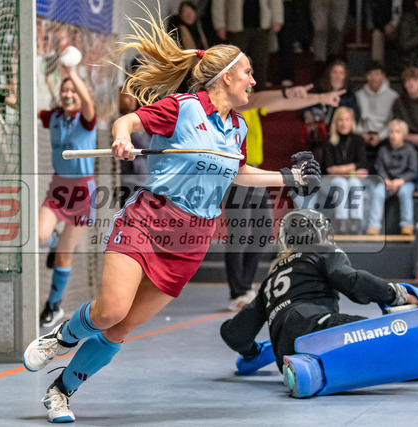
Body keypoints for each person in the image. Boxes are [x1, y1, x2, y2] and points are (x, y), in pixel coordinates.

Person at [22, 10, 321, 423]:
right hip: (148, 220)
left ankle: (60, 392)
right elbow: (128, 120)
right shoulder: (183, 108)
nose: (253, 81)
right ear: (225, 78)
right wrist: (122, 139)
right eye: (248, 73)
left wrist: (289, 177)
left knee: (120, 329)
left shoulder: (238, 129)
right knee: (110, 311)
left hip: (190, 241)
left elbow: (238, 172)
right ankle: (61, 337)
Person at [220, 208, 418, 377]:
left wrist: (253, 353)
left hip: (283, 351)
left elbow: (235, 334)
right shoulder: (320, 252)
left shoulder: (270, 280)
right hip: (316, 326)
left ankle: (308, 372)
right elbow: (354, 281)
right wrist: (396, 294)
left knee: (323, 350)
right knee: (378, 333)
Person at [224, 84, 345, 311]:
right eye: (247, 74)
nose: (251, 81)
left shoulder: (253, 105)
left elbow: (285, 103)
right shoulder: (232, 104)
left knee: (264, 230)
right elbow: (263, 98)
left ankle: (245, 287)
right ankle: (236, 293)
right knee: (238, 234)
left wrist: (321, 97)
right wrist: (288, 92)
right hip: (235, 175)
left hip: (254, 172)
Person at [36, 68, 97, 327]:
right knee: (39, 236)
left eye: (73, 90)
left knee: (64, 255)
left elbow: (89, 102)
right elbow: (26, 107)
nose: (68, 94)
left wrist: (71, 72)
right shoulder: (54, 117)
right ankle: (53, 240)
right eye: (64, 90)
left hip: (83, 192)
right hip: (58, 188)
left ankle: (53, 305)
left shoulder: (87, 119)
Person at [305, 107, 368, 235]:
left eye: (347, 120)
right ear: (336, 122)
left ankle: (356, 222)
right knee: (341, 183)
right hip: (330, 181)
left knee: (355, 183)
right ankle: (341, 222)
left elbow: (362, 164)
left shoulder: (358, 140)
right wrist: (352, 170)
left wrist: (341, 170)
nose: (344, 123)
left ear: (352, 122)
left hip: (351, 179)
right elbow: (330, 169)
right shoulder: (329, 142)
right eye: (340, 120)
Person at [212, 0, 283, 90]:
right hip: (236, 28)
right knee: (236, 64)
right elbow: (219, 3)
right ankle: (237, 92)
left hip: (261, 27)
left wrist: (277, 18)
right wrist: (219, 24)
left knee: (260, 63)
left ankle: (260, 92)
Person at [367, 119, 418, 235]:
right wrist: (386, 181)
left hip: (404, 182)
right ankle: (374, 226)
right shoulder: (383, 150)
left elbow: (413, 171)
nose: (394, 135)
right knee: (377, 192)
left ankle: (407, 225)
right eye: (391, 132)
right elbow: (379, 168)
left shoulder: (411, 151)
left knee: (405, 192)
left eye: (397, 132)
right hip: (386, 182)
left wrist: (400, 181)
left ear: (404, 134)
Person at [355, 61, 399, 174]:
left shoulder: (393, 96)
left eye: (377, 74)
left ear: (383, 76)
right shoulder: (358, 95)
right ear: (366, 76)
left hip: (384, 135)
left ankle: (386, 177)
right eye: (370, 74)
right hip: (363, 134)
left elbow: (393, 122)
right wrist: (362, 133)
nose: (373, 78)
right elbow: (354, 121)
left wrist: (380, 136)